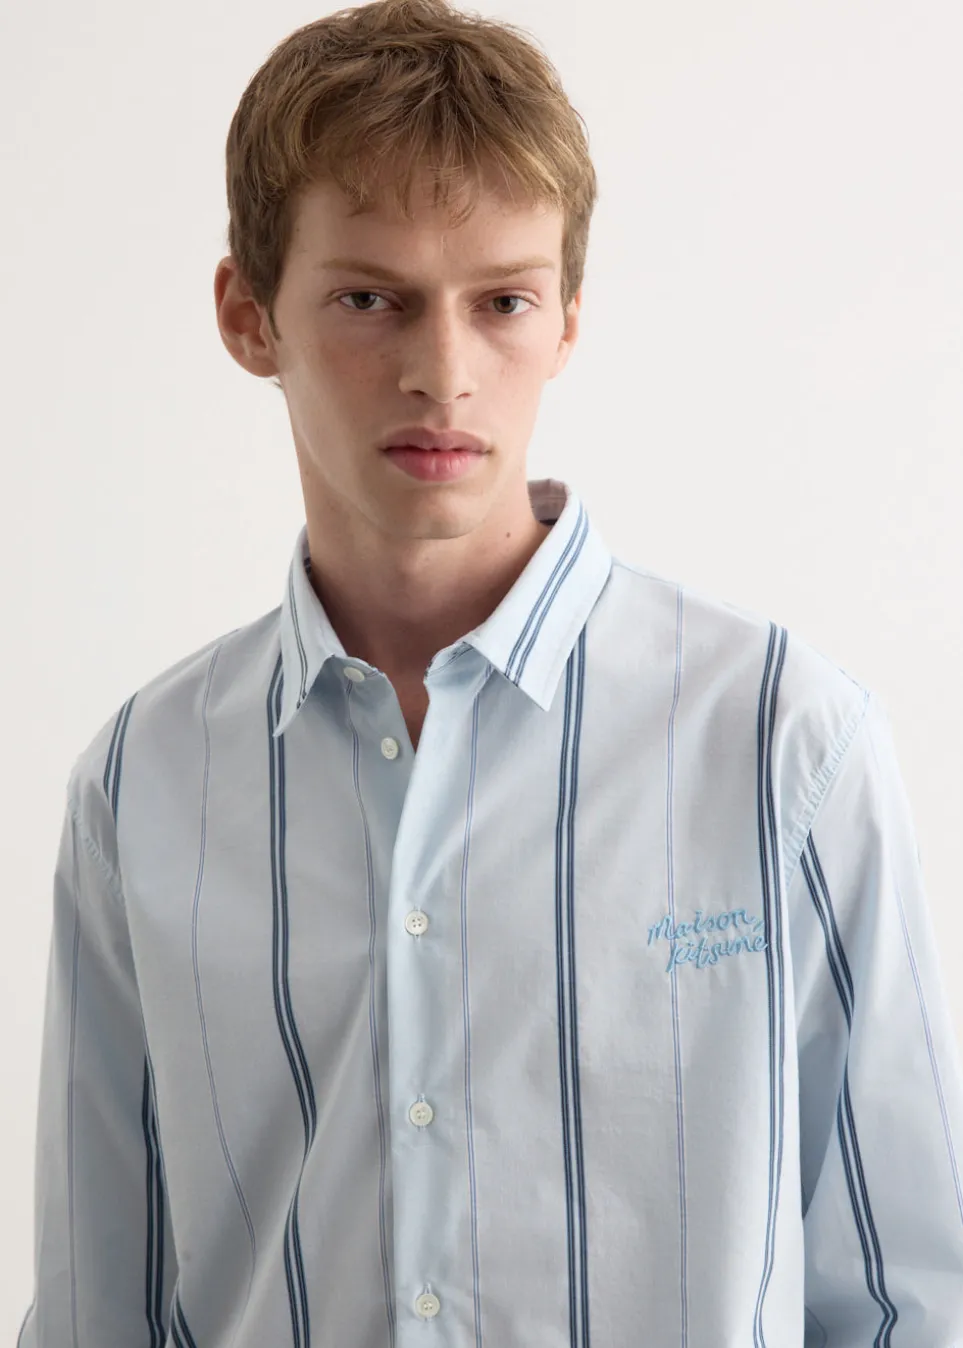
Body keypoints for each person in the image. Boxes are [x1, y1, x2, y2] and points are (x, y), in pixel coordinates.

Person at [17, 0, 963, 1343]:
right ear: (247, 316)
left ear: (567, 319)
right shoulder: (145, 782)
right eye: (370, 299)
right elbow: (95, 1310)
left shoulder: (782, 741)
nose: (443, 373)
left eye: (502, 301)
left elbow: (907, 1300)